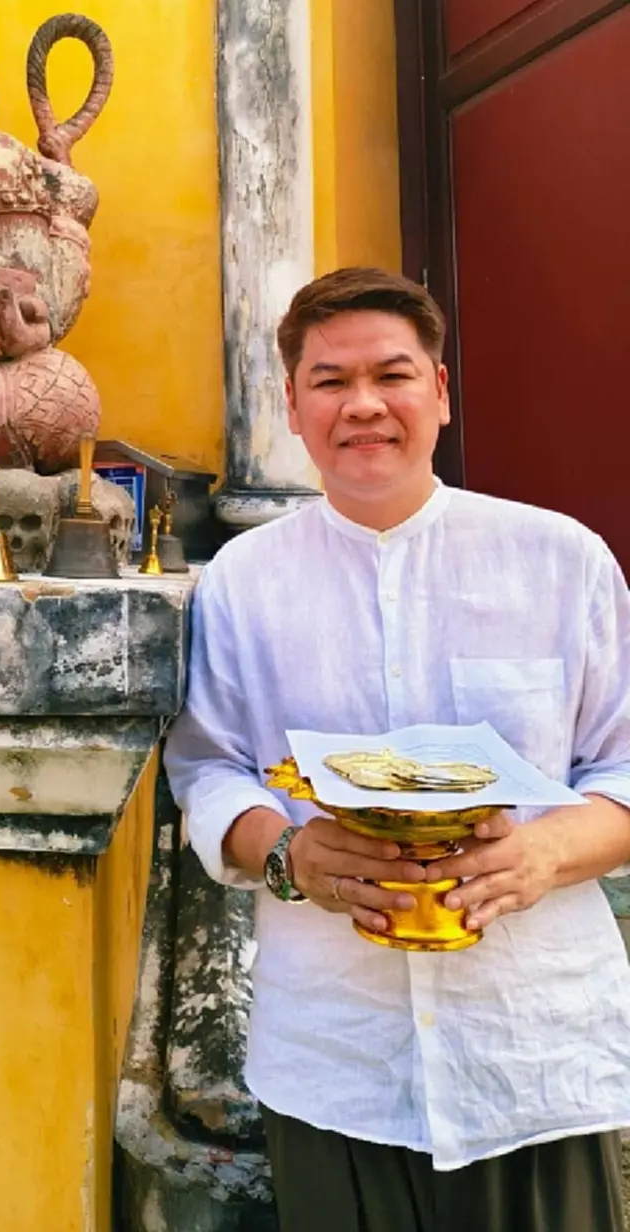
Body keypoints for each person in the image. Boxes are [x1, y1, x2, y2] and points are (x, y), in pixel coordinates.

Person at [165, 266, 630, 1232]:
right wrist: (287, 854)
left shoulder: (561, 560)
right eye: (330, 381)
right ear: (292, 406)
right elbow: (207, 766)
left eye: (393, 375)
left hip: (533, 1054)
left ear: (442, 391)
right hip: (338, 1058)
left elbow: (620, 767)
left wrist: (543, 851)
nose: (363, 405)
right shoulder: (242, 583)